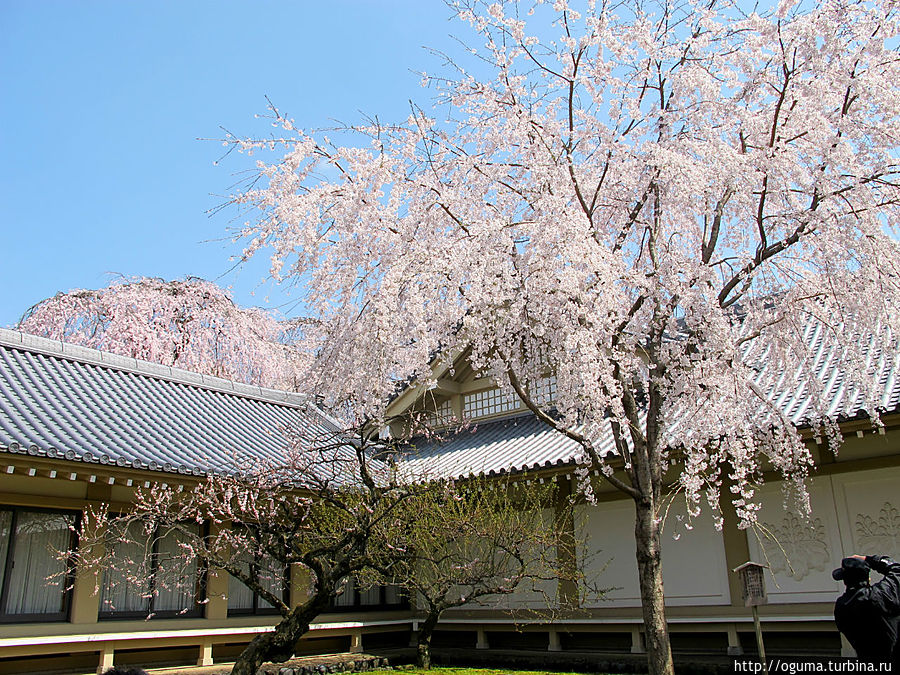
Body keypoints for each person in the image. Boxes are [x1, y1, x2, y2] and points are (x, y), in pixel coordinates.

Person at [833, 554, 900, 668]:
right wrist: (870, 560)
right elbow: (897, 570)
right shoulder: (881, 595)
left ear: (845, 581)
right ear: (868, 578)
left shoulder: (841, 607)